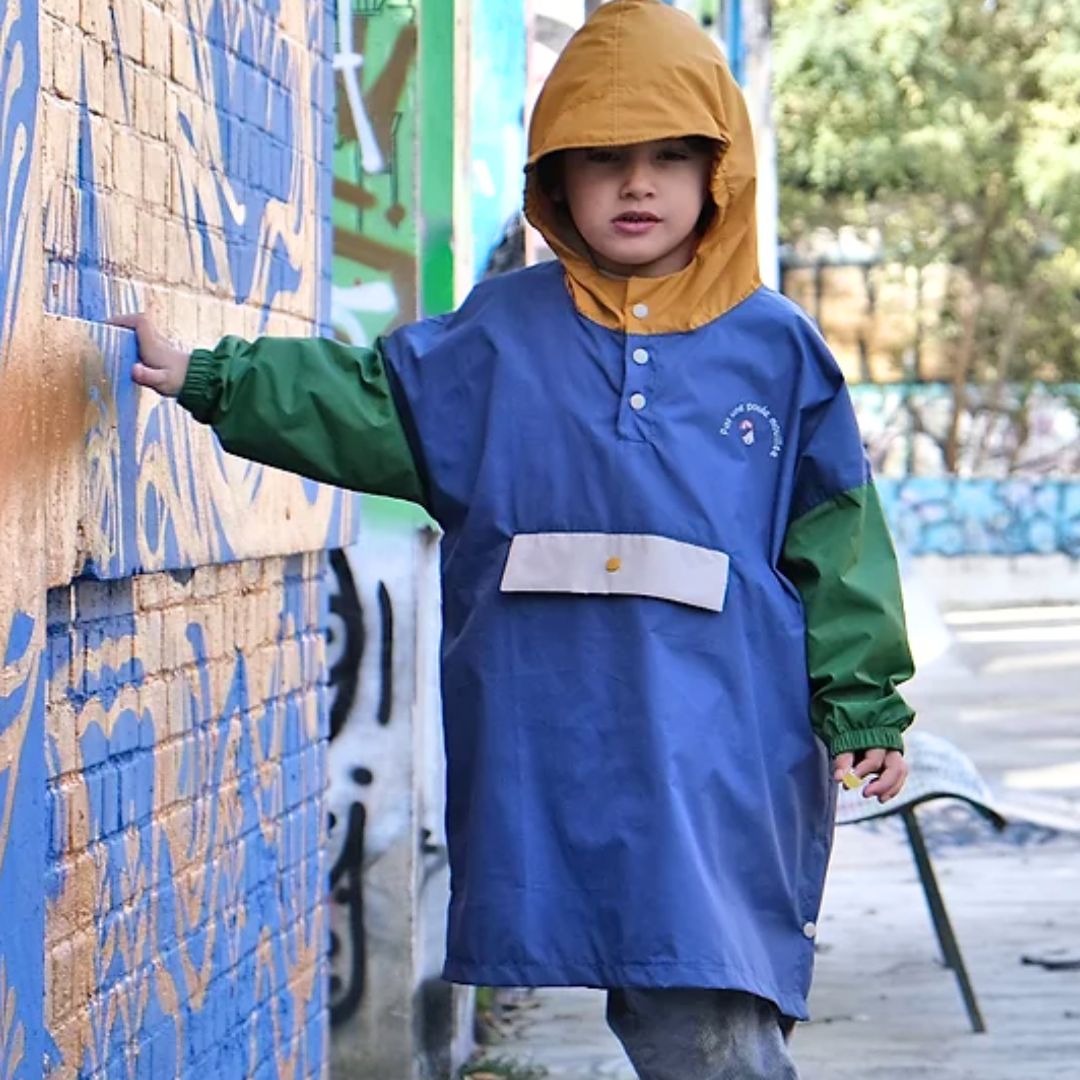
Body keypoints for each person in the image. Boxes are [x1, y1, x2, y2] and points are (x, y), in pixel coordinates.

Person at [115, 1, 914, 1075]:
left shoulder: (778, 350)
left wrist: (864, 699)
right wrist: (214, 379)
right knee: (668, 992)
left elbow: (839, 539)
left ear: (718, 172)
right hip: (554, 734)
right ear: (556, 180)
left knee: (710, 993)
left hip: (723, 745)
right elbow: (370, 404)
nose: (637, 185)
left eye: (670, 158)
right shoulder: (499, 335)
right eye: (604, 159)